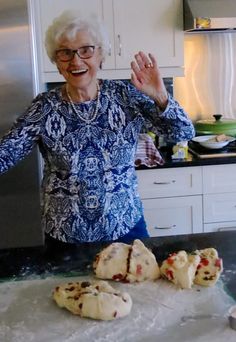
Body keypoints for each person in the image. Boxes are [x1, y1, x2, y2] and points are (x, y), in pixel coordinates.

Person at [0, 10, 195, 244]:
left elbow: (183, 132)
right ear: (56, 61)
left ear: (101, 54)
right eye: (65, 52)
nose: (76, 60)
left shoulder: (126, 96)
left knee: (138, 282)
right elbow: (6, 153)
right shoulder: (45, 107)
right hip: (65, 234)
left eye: (86, 50)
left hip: (125, 227)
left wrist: (161, 97)